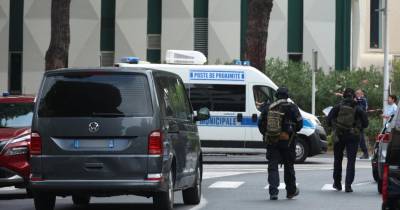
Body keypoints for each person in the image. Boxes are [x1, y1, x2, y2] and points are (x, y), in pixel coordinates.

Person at [258, 87, 303, 200]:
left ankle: (273, 192)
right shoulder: (293, 107)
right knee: (289, 167)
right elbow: (300, 124)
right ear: (287, 96)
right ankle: (291, 191)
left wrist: (267, 134)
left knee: (273, 166)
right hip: (288, 141)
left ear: (276, 96)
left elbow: (260, 123)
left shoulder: (269, 107)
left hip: (272, 141)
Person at [327, 88, 368, 193]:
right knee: (351, 161)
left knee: (338, 160)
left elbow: (328, 121)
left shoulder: (337, 107)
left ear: (343, 96)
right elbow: (366, 123)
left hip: (339, 136)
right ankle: (348, 185)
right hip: (353, 136)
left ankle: (337, 183)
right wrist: (357, 127)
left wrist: (335, 126)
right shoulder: (358, 108)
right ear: (353, 97)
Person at [355, 89, 369, 159]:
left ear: (361, 94)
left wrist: (357, 103)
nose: (356, 95)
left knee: (360, 138)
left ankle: (365, 153)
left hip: (360, 122)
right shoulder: (355, 100)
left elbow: (363, 109)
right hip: (354, 121)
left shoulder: (363, 100)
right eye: (356, 93)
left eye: (358, 93)